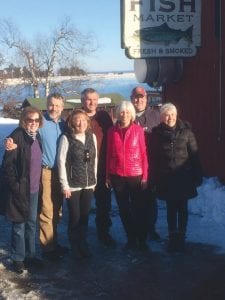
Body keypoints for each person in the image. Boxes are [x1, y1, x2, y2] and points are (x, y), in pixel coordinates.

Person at [5, 92, 67, 260]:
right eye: (51, 104)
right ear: (47, 104)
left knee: (57, 210)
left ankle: (52, 242)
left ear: (62, 107)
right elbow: (19, 135)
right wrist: (9, 140)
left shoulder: (63, 124)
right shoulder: (41, 122)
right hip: (44, 172)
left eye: (58, 105)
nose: (54, 108)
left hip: (60, 173)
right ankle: (48, 248)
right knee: (46, 211)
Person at [149, 103, 202, 252]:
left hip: (183, 177)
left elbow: (194, 156)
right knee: (171, 208)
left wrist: (197, 175)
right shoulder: (156, 134)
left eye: (172, 114)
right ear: (161, 117)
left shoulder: (187, 132)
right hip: (166, 178)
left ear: (176, 115)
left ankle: (182, 236)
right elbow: (153, 158)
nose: (169, 117)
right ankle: (173, 237)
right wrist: (153, 178)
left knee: (183, 208)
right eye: (166, 114)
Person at [1, 106, 43, 273]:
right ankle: (18, 258)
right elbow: (7, 165)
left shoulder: (37, 136)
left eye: (36, 120)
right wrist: (16, 186)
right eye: (29, 120)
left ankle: (30, 256)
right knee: (19, 224)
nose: (33, 123)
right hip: (20, 189)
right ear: (23, 121)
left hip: (34, 189)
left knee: (32, 223)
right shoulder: (17, 136)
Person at [106, 101, 149, 251]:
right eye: (121, 112)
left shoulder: (138, 130)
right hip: (117, 175)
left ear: (132, 114)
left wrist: (145, 177)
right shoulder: (112, 131)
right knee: (124, 209)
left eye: (127, 112)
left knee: (139, 208)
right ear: (118, 114)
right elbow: (108, 154)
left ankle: (142, 240)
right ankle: (131, 238)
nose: (124, 115)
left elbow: (143, 154)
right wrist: (107, 176)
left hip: (135, 174)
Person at [57, 109, 97, 259]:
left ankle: (83, 243)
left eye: (84, 120)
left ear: (87, 122)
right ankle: (74, 244)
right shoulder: (66, 138)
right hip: (72, 185)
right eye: (77, 120)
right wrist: (64, 185)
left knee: (85, 216)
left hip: (88, 184)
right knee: (75, 216)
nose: (81, 123)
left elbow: (95, 159)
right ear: (72, 122)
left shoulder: (91, 136)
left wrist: (94, 181)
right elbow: (61, 162)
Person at [81, 88, 116, 247]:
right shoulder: (77, 117)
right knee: (83, 205)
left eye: (95, 99)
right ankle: (80, 237)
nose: (92, 102)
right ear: (83, 100)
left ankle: (104, 233)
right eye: (89, 99)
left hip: (102, 167)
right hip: (83, 168)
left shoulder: (104, 117)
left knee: (104, 204)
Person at [130, 86, 161, 241]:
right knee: (135, 200)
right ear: (131, 99)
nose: (139, 100)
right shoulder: (127, 116)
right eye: (136, 97)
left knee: (150, 200)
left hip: (151, 166)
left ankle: (151, 228)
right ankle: (137, 230)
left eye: (141, 97)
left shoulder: (156, 116)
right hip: (132, 168)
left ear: (146, 98)